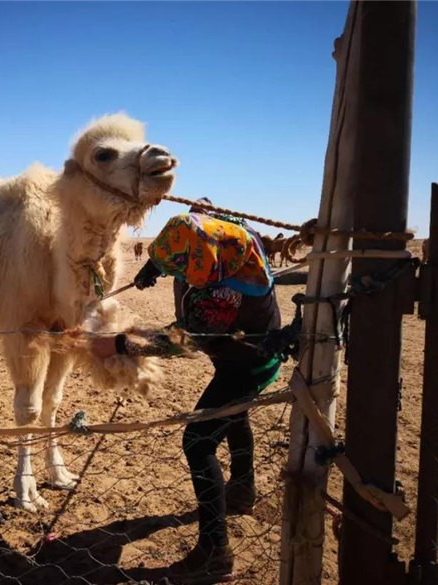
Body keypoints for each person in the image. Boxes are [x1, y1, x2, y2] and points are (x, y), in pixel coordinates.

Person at [92, 210, 281, 582]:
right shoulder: (224, 237)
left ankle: (215, 552)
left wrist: (118, 344)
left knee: (198, 441)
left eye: (183, 269)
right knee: (234, 414)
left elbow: (183, 340)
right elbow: (196, 218)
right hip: (235, 356)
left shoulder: (225, 294)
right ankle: (243, 489)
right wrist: (156, 265)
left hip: (251, 362)